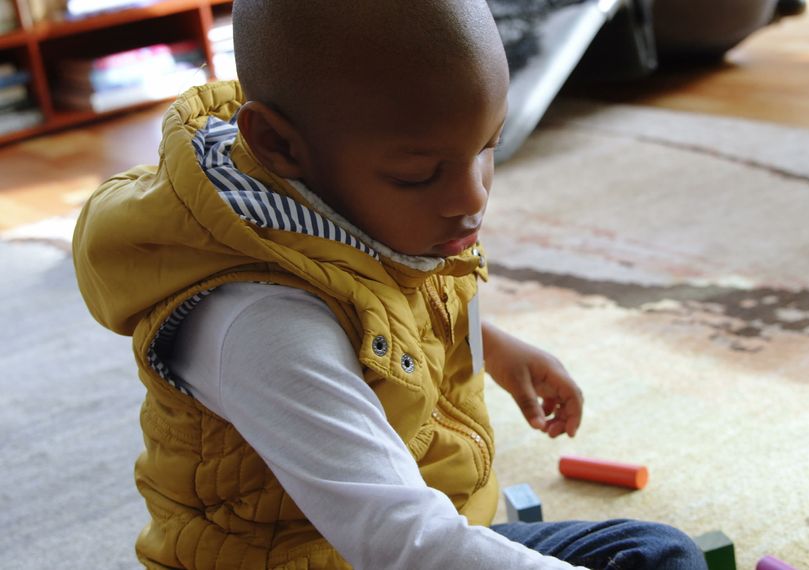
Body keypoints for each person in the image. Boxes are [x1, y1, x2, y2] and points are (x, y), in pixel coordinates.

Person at [72, 1, 706, 568]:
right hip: (349, 553)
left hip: (418, 540)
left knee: (654, 554)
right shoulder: (262, 324)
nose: (470, 197)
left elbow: (379, 310)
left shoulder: (357, 210)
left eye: (488, 146)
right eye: (417, 174)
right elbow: (401, 540)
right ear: (278, 145)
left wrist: (496, 346)